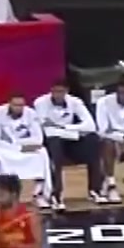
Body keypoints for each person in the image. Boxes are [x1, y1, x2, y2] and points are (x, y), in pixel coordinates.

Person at [32, 80, 102, 210]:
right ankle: (56, 194)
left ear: (66, 91)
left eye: (61, 92)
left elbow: (91, 126)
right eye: (55, 91)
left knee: (93, 140)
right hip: (51, 142)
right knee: (55, 143)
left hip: (70, 139)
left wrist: (64, 127)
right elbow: (47, 130)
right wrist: (72, 130)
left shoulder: (75, 102)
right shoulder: (40, 103)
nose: (57, 94)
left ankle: (95, 190)